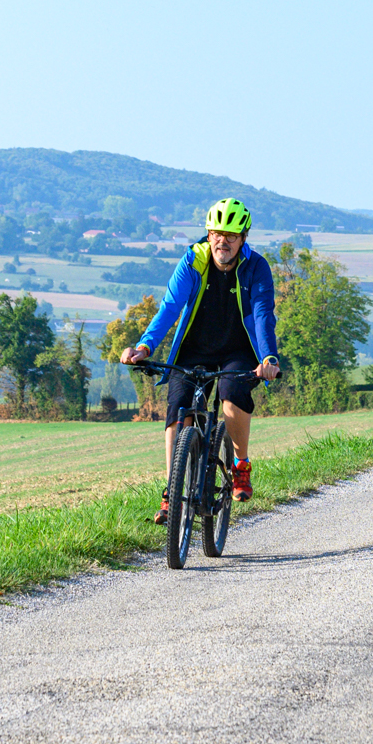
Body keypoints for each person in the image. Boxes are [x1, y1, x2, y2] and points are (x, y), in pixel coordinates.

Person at [120, 198, 281, 524]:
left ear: (243, 238)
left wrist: (268, 357)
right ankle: (171, 492)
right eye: (217, 233)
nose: (223, 241)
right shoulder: (193, 261)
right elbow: (169, 307)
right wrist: (145, 346)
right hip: (193, 352)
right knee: (179, 409)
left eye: (231, 235)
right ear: (208, 235)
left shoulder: (256, 267)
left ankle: (240, 466)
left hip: (238, 353)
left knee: (231, 397)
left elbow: (263, 314)